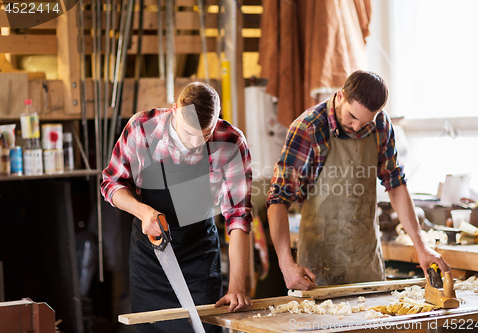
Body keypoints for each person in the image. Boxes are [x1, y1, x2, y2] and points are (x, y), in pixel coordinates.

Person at [266, 70, 451, 290]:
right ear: (341, 95)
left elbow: (396, 185)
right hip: (316, 268)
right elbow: (278, 198)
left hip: (366, 264)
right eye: (352, 117)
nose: (356, 128)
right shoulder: (309, 127)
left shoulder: (381, 125)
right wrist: (286, 263)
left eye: (365, 123)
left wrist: (421, 246)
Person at [101, 82, 253, 332]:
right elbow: (111, 183)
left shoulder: (230, 142)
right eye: (188, 132)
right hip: (151, 258)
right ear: (174, 110)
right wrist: (143, 211)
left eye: (204, 134)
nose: (195, 142)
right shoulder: (141, 129)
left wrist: (237, 286)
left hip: (198, 257)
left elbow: (238, 216)